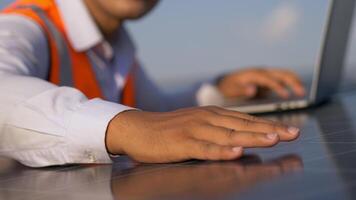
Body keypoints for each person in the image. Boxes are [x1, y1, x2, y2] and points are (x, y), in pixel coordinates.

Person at [0, 0, 305, 167]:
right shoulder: (26, 24)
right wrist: (125, 128)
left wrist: (220, 91)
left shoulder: (119, 52)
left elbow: (158, 114)